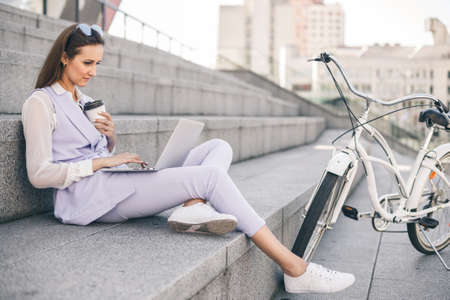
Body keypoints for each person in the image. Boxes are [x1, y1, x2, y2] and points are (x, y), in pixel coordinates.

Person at [21, 23, 355, 294]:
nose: (93, 71)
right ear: (64, 58)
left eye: (98, 63)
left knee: (218, 146)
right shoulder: (40, 103)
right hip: (88, 199)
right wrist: (101, 162)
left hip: (115, 181)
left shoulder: (87, 99)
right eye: (87, 63)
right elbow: (39, 174)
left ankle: (193, 204)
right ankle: (295, 268)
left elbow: (99, 152)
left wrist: (109, 139)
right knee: (211, 177)